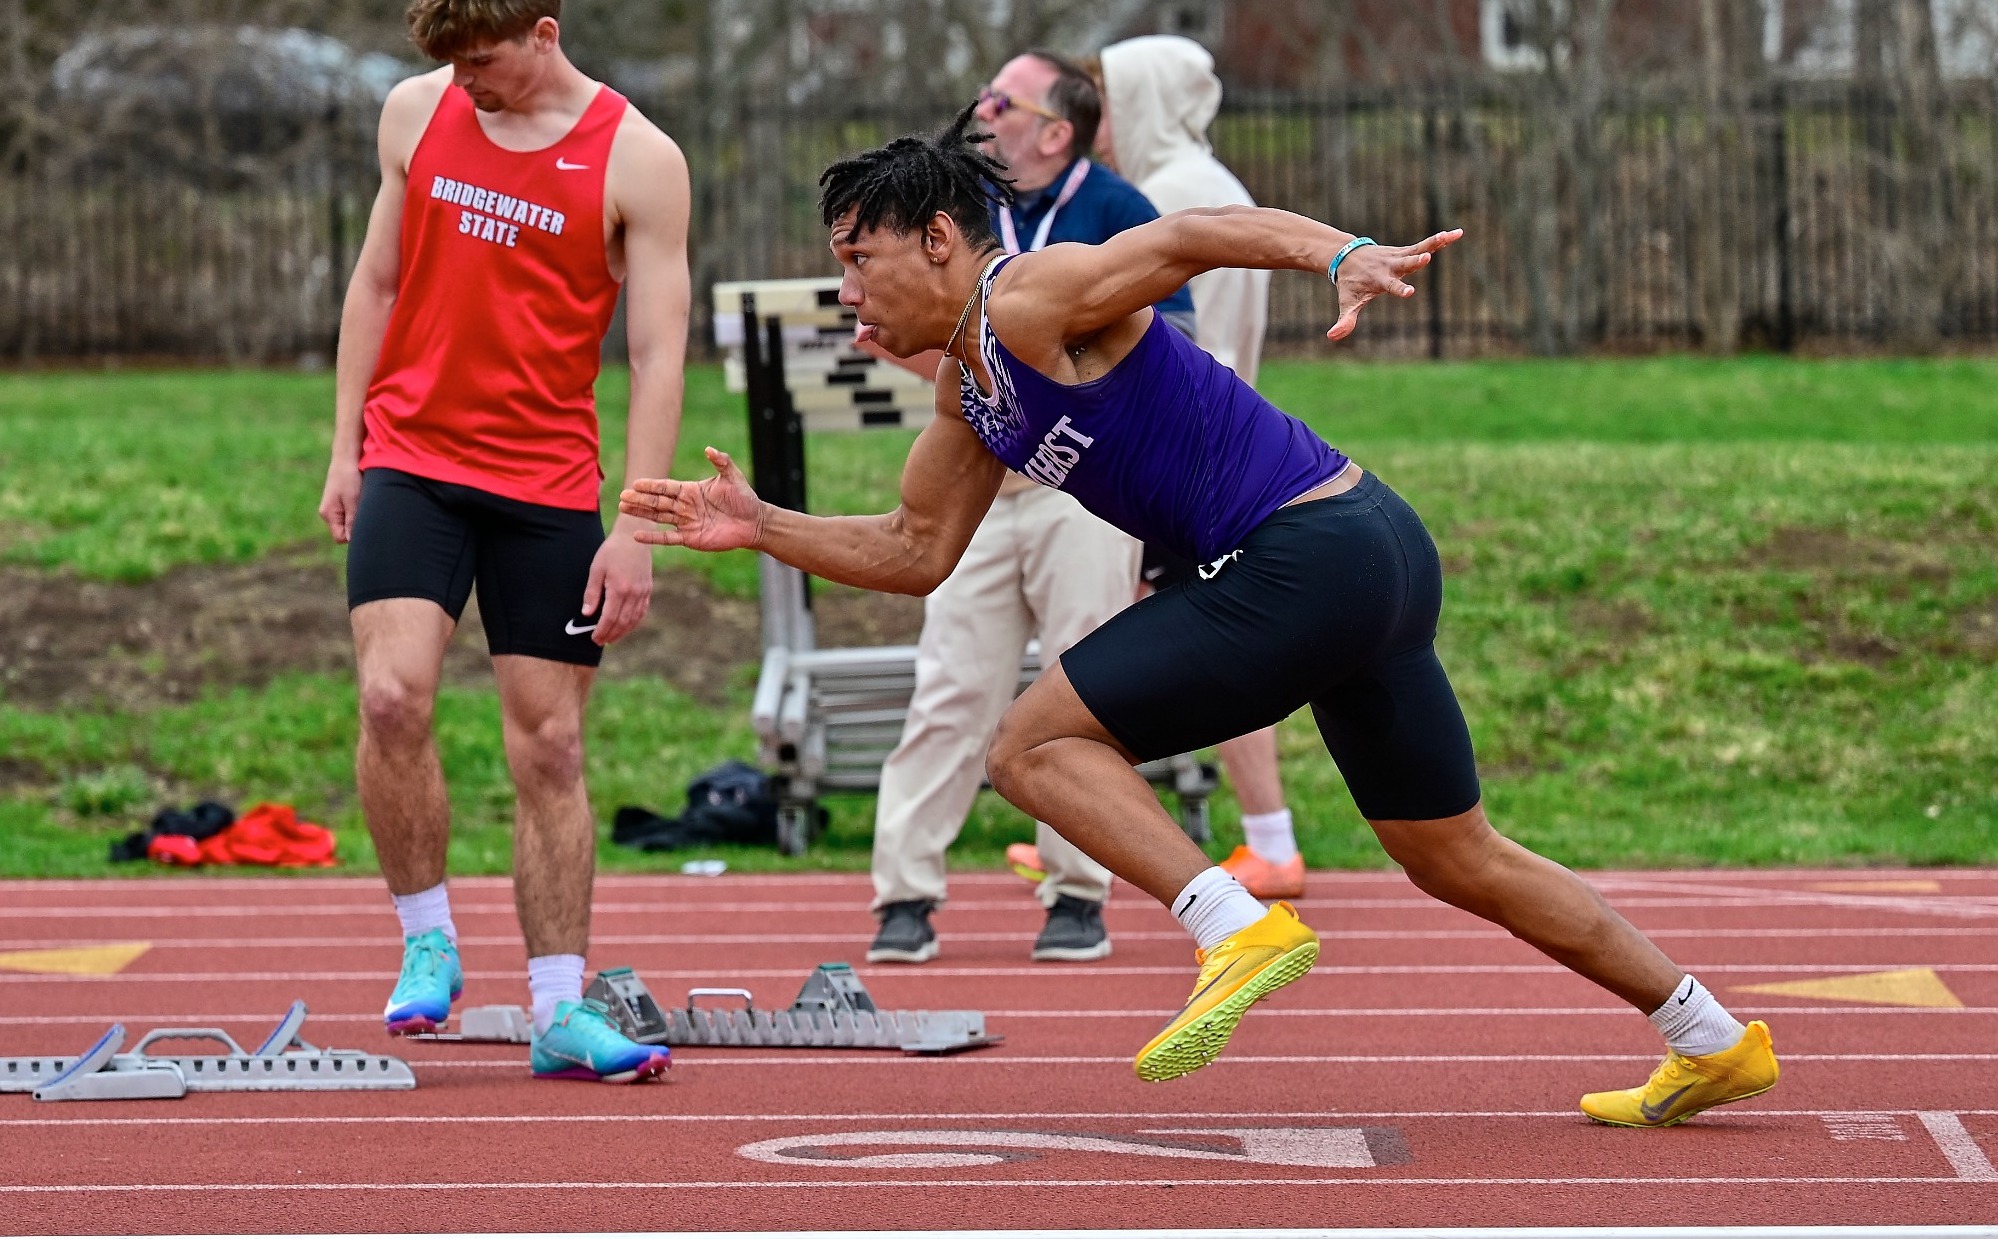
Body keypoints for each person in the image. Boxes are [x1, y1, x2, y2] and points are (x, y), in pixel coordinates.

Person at [620, 109, 1782, 1124]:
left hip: (1307, 554)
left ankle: (1235, 926)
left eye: (857, 258)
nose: (845, 291)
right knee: (1454, 853)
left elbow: (1182, 239)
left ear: (935, 240)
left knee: (1029, 744)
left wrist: (1345, 254)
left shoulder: (1025, 300)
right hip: (1373, 544)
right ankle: (1711, 1035)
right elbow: (916, 552)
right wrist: (765, 523)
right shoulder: (969, 387)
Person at [318, 0, 688, 1084]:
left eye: (482, 61)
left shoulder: (639, 157)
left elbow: (660, 352)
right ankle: (426, 933)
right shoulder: (415, 112)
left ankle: (560, 1012)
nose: (465, 82)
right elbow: (376, 282)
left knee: (550, 746)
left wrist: (637, 524)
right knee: (391, 696)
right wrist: (346, 446)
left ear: (542, 30)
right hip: (412, 461)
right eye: (449, 65)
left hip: (548, 484)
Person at [862, 49, 1199, 967]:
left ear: (1055, 131)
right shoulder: (963, 212)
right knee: (949, 687)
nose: (982, 108)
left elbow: (1165, 346)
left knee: (1083, 689)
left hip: (1077, 485)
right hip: (982, 480)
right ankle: (904, 893)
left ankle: (1078, 892)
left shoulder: (1114, 208)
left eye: (1004, 101)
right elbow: (957, 351)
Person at [1007, 35, 1304, 900]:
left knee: (1119, 657)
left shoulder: (1163, 196)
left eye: (1112, 94)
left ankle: (1095, 825)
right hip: (1229, 440)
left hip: (1173, 452)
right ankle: (1254, 834)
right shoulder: (1221, 186)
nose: (1099, 119)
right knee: (1200, 649)